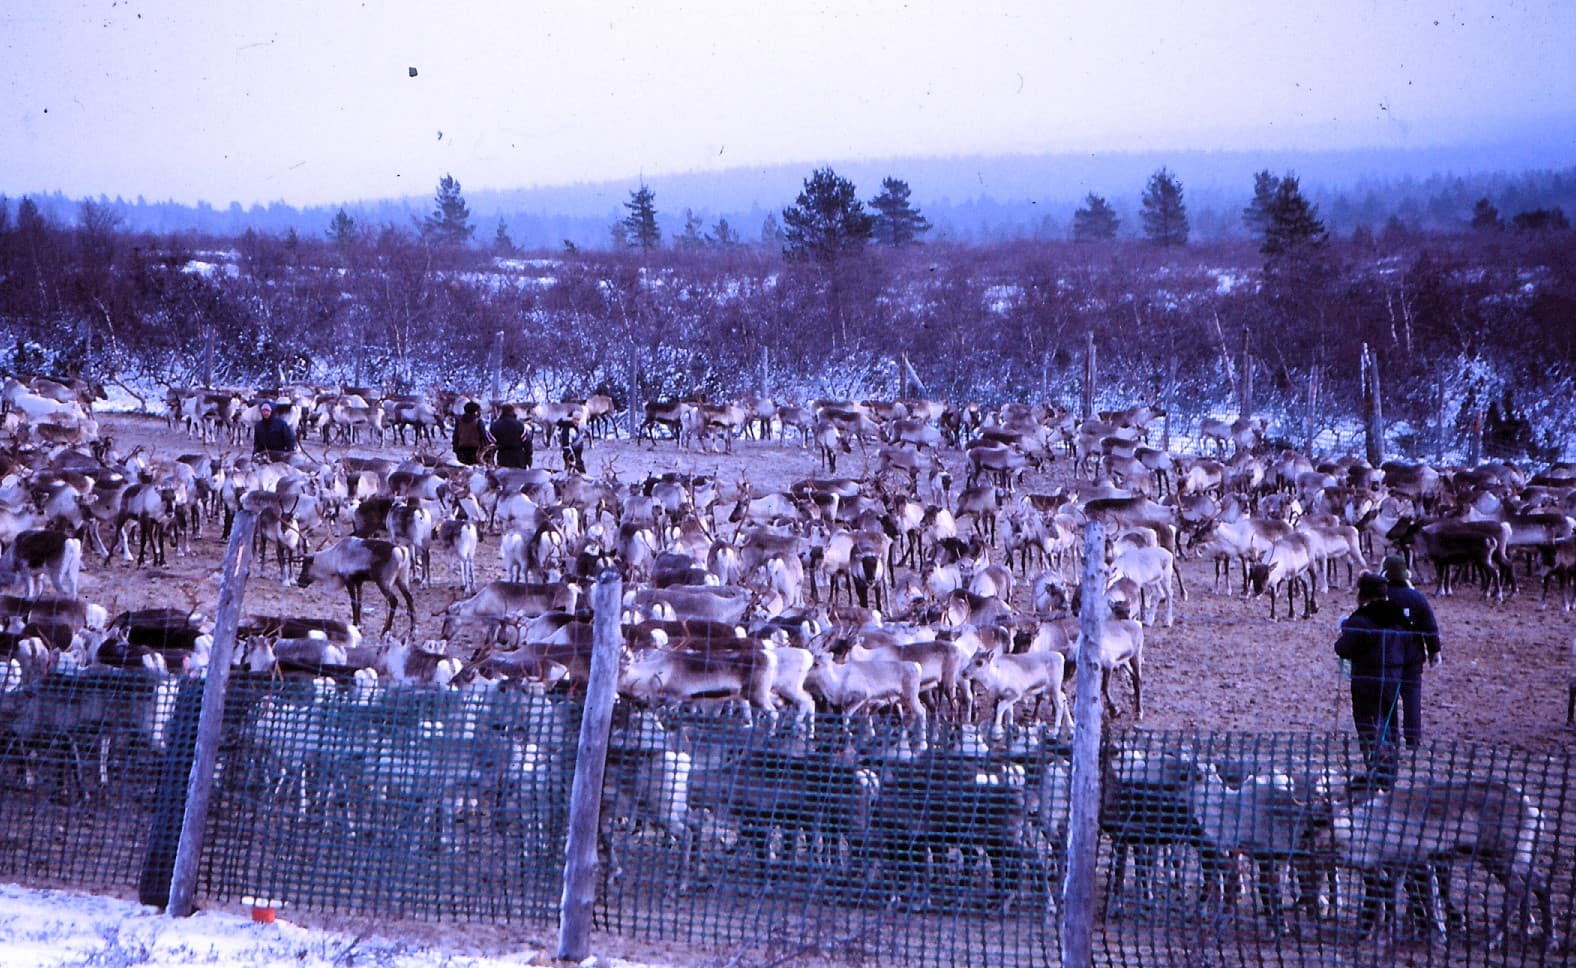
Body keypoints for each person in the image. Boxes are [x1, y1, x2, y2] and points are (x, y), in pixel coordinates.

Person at [1334, 572, 1416, 785]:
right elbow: (1412, 649)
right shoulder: (1400, 617)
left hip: (1366, 678)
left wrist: (1342, 634)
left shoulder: (1360, 618)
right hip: (1394, 677)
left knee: (1370, 722)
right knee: (1389, 721)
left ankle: (1377, 772)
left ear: (1363, 594)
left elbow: (1343, 648)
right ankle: (1388, 772)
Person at [1380, 553, 1442, 750]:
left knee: (1387, 698)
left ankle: (1391, 738)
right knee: (1412, 697)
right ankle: (1413, 739)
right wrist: (1434, 651)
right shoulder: (1417, 597)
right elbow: (1429, 626)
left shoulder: (1381, 597)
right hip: (1413, 656)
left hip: (1387, 656)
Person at [451, 401, 490, 465]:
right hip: (475, 450)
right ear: (475, 411)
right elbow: (483, 436)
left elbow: (455, 436)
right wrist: (486, 448)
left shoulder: (459, 421)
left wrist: (455, 448)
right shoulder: (478, 421)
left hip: (461, 449)